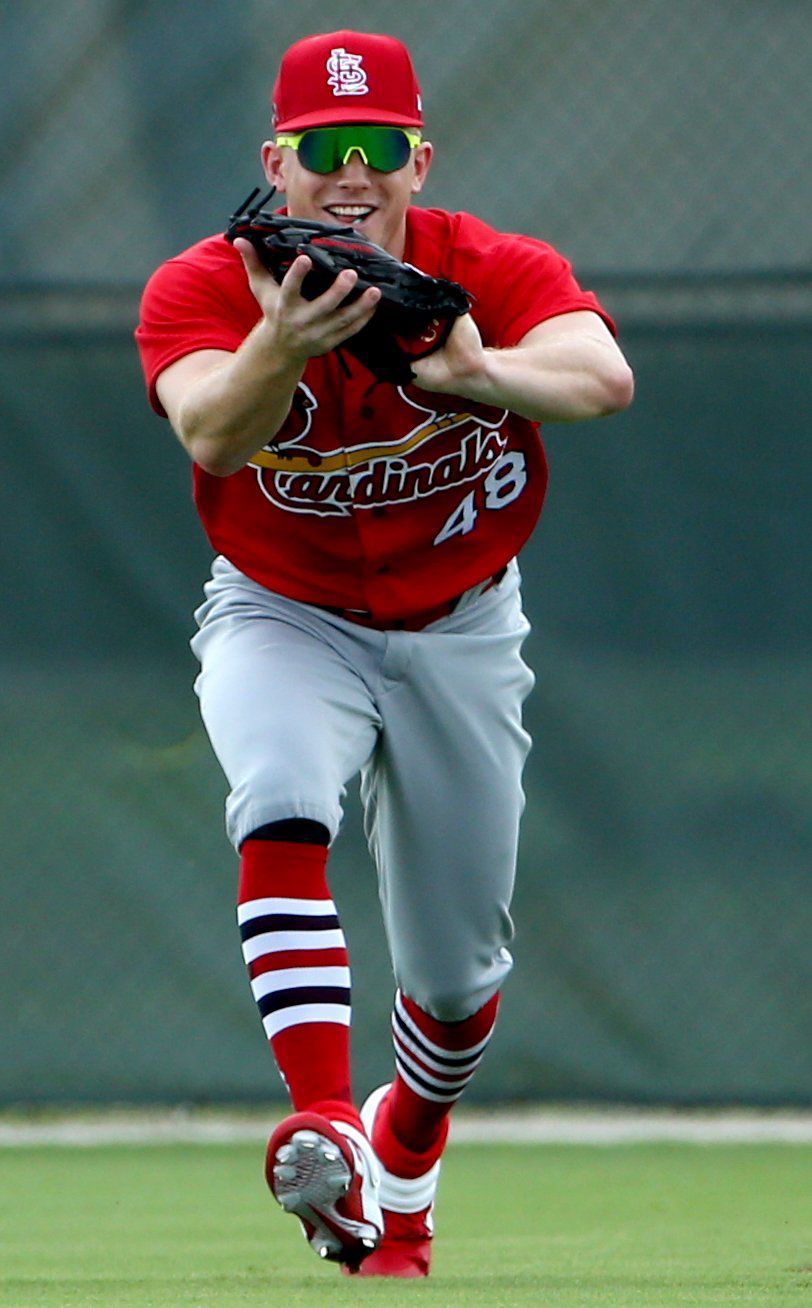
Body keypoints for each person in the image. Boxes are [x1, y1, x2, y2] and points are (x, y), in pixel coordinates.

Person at [135, 28, 633, 1278]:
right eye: (320, 149)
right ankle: (316, 1122)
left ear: (417, 159)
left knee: (458, 982)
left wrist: (479, 372)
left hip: (462, 625)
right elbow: (207, 430)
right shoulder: (202, 284)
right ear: (276, 162)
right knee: (280, 794)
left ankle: (398, 1150)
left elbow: (601, 374)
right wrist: (280, 345)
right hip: (282, 609)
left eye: (375, 148)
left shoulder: (485, 268)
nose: (347, 174)